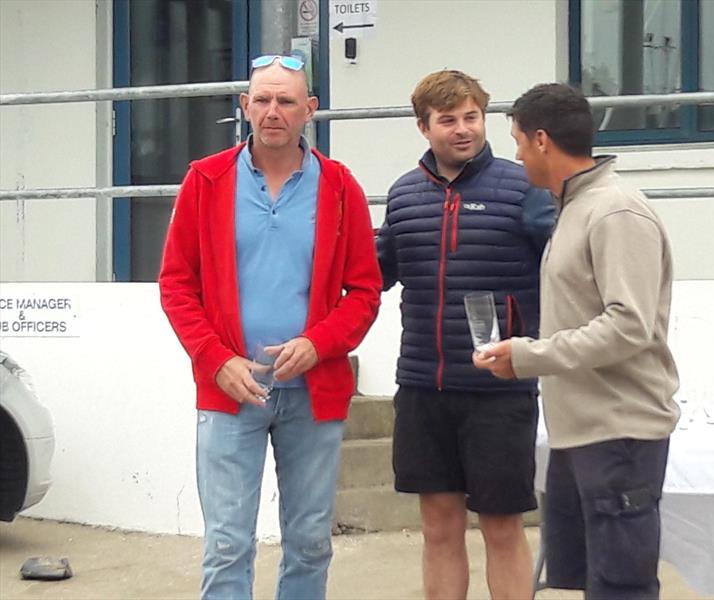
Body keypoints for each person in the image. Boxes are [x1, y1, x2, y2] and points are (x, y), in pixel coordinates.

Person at [158, 54, 381, 600]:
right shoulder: (205, 180)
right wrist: (217, 359)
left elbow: (365, 291)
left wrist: (317, 343)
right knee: (227, 545)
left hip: (313, 392)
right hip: (229, 391)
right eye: (262, 100)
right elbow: (176, 285)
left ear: (310, 110)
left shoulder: (340, 187)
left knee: (309, 542)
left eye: (286, 101)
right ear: (244, 107)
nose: (273, 111)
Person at [474, 83, 680, 600]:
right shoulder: (573, 207)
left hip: (619, 436)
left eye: (518, 142)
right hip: (577, 436)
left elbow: (629, 325)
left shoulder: (615, 212)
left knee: (621, 587)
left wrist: (529, 356)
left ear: (542, 140)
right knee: (580, 583)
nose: (516, 155)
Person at [376, 70, 554, 599]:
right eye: (448, 120)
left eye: (471, 117)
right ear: (423, 128)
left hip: (501, 389)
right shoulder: (404, 195)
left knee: (502, 529)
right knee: (438, 528)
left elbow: (566, 266)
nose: (462, 129)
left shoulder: (525, 185)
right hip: (423, 388)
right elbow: (375, 273)